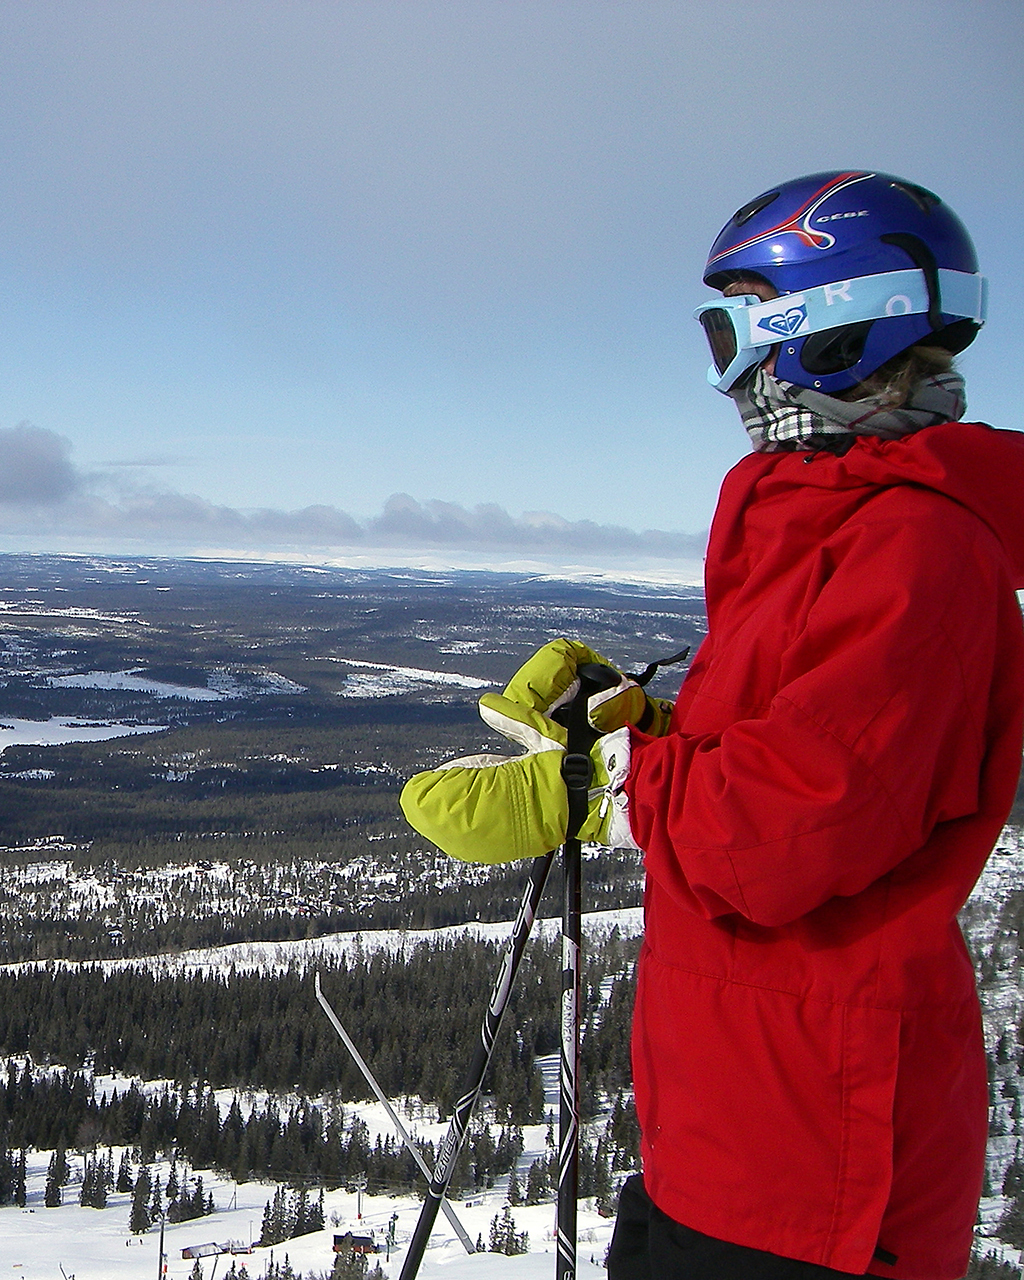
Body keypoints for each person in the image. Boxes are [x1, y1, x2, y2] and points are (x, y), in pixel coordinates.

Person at [401, 171, 1022, 1279]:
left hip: (817, 1156)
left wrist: (599, 788)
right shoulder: (824, 517)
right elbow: (813, 737)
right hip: (740, 1111)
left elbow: (801, 821)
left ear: (833, 333)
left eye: (735, 327)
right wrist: (647, 719)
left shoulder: (915, 547)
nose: (727, 374)